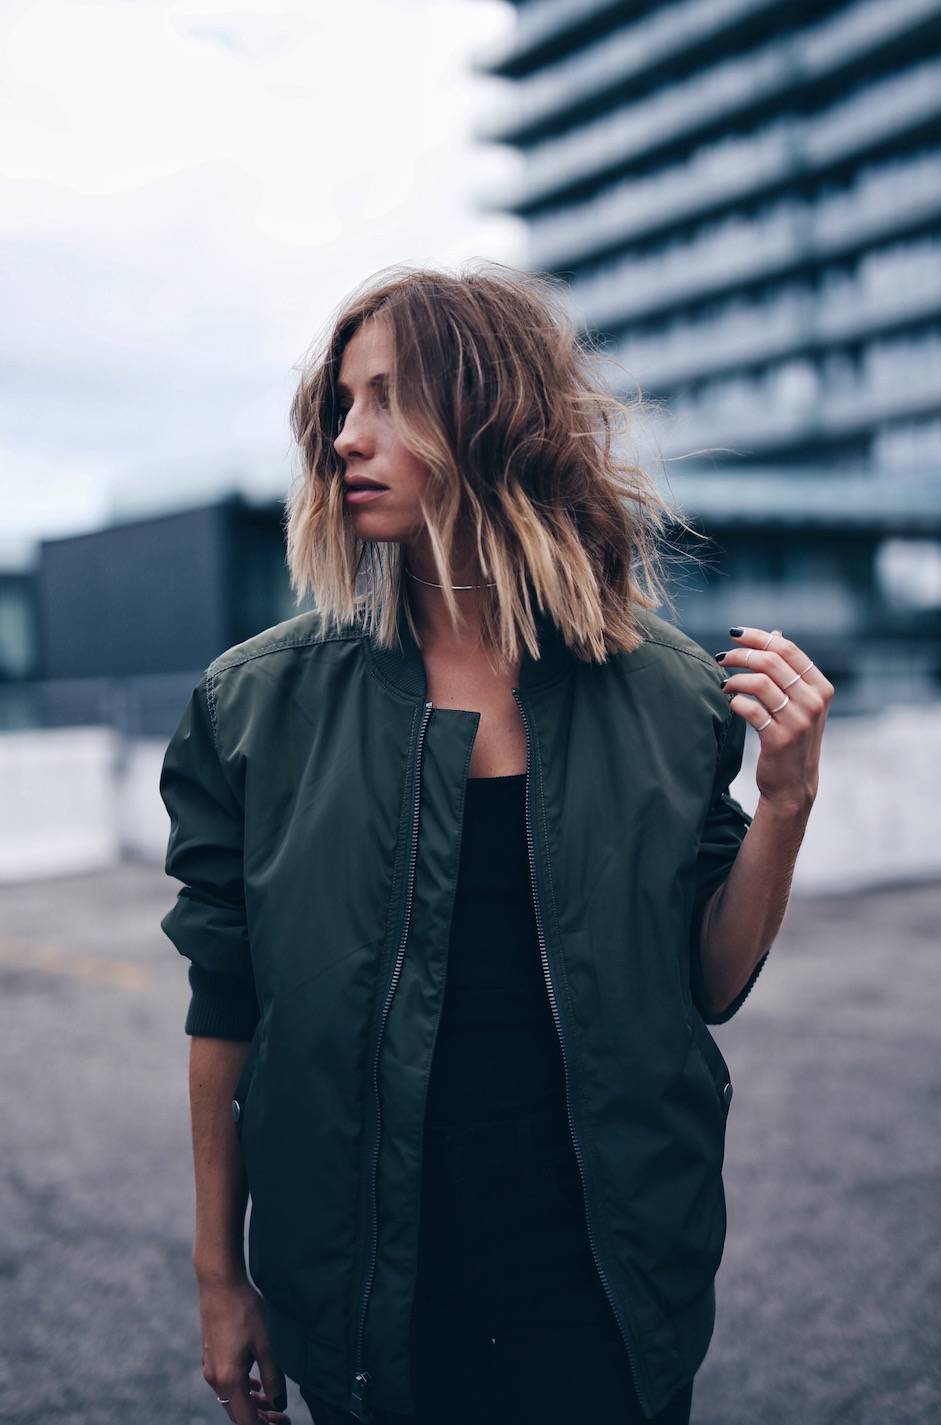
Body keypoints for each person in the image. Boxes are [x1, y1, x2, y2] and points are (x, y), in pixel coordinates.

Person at [159, 262, 833, 1425]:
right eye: (337, 406)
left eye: (384, 400)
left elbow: (709, 984)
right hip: (376, 1297)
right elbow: (227, 1013)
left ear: (488, 415)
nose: (345, 439)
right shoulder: (254, 710)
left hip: (605, 1281)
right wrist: (222, 1281)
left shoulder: (669, 695)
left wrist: (782, 803)